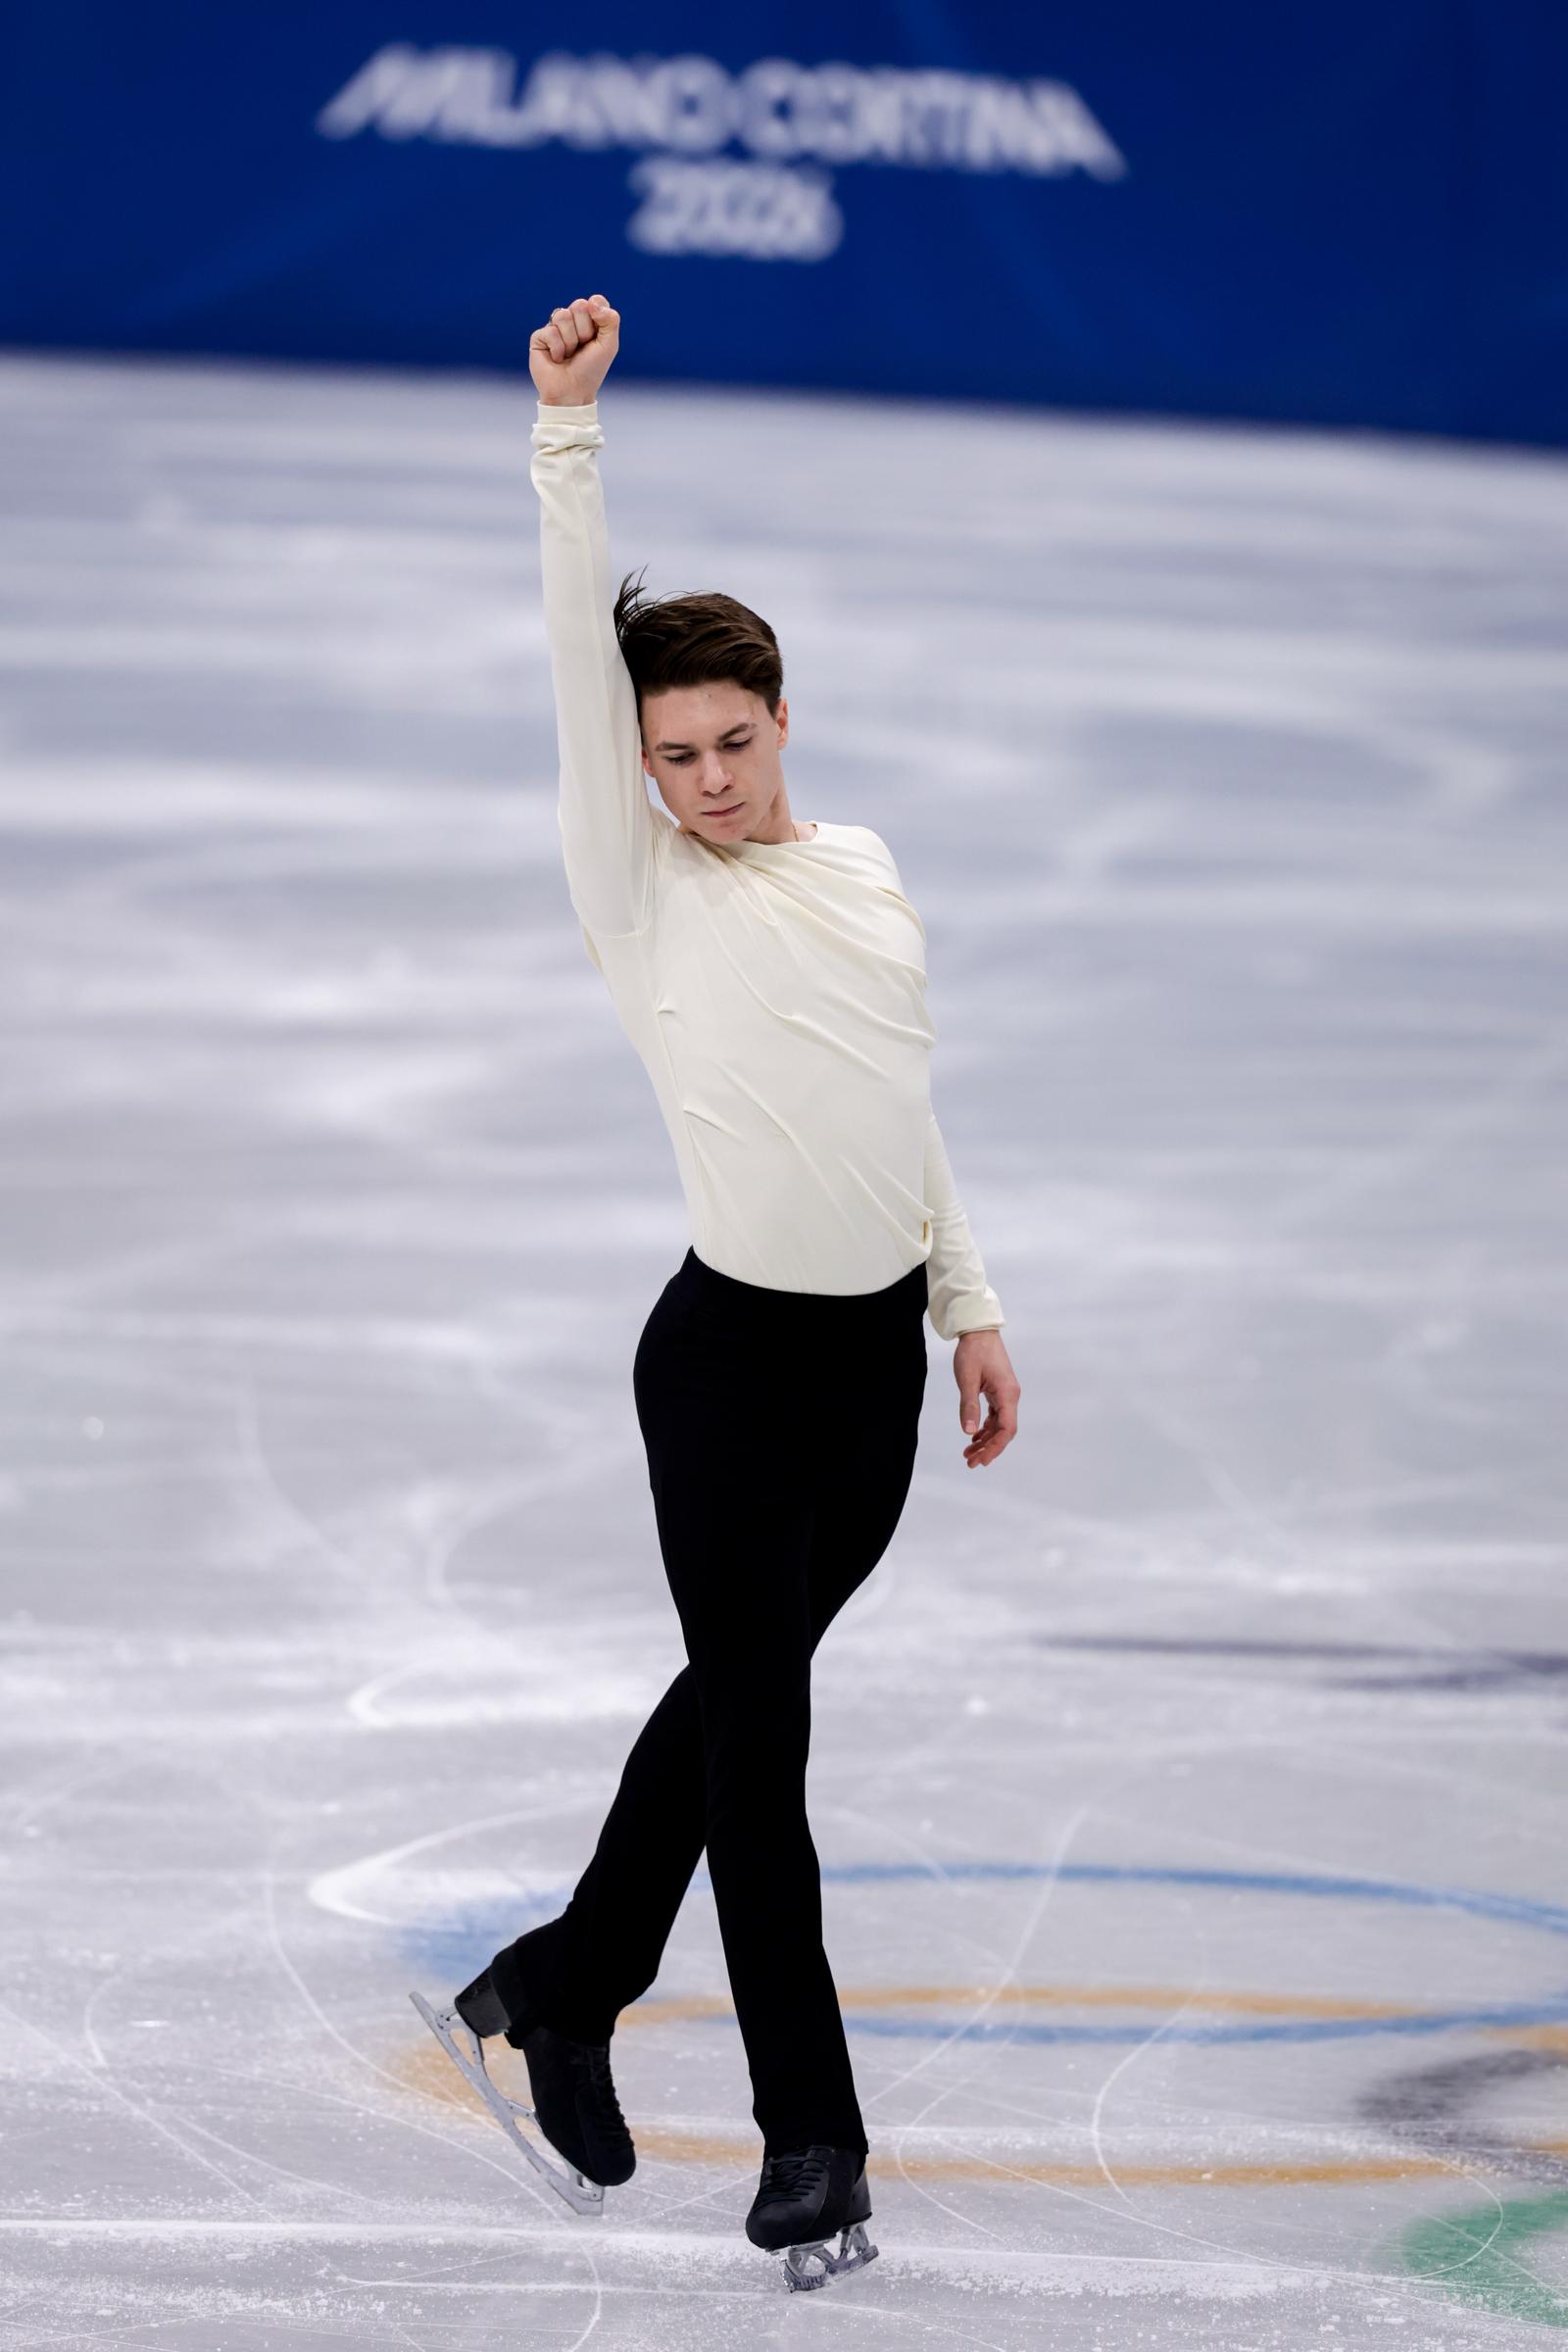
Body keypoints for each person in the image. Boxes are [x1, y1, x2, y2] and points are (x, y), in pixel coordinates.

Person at [452, 293, 1021, 2287]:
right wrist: (565, 439)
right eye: (668, 756)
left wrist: (965, 1301)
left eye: (730, 743)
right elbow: (569, 655)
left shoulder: (861, 871)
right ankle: (811, 2144)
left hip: (872, 1378)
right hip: (724, 1370)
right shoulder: (642, 895)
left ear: (785, 725)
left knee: (726, 1705)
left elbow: (897, 1103)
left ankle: (563, 1983)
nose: (702, 779)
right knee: (762, 1761)